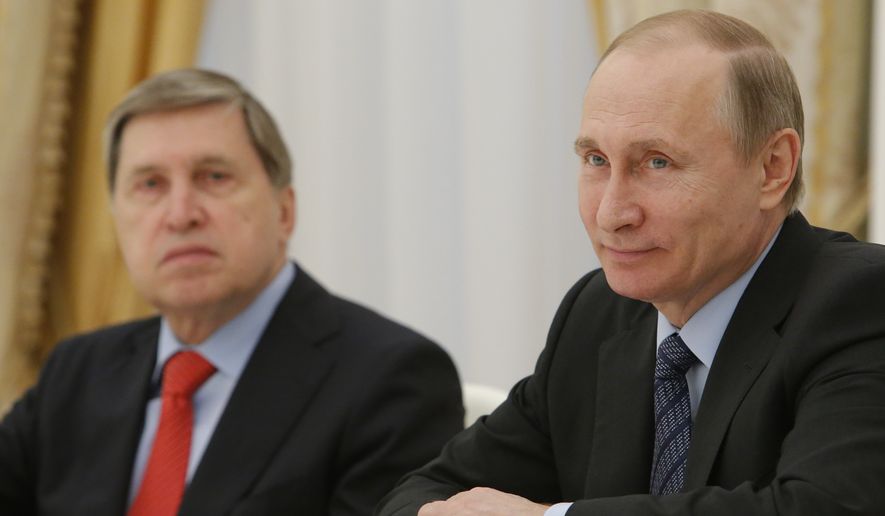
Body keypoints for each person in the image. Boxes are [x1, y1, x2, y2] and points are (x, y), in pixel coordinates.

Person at [377, 9, 885, 516]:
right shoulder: (598, 313)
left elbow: (821, 505)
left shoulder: (860, 302)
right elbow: (425, 491)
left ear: (772, 168)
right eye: (596, 160)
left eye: (657, 162)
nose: (611, 212)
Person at [0, 68, 464, 515]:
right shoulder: (77, 370)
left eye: (214, 177)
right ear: (116, 220)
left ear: (284, 211)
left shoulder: (392, 381)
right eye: (150, 185)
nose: (180, 214)